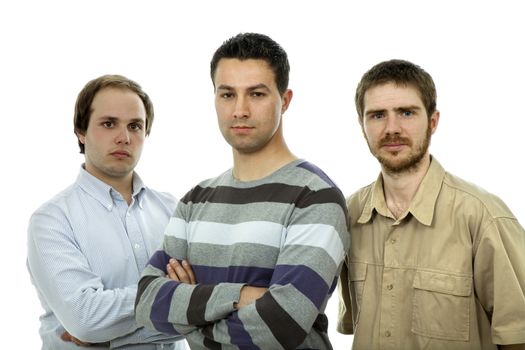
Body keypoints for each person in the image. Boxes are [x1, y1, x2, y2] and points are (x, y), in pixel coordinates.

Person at [134, 33, 349, 350]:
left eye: (257, 94)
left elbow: (281, 326)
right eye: (227, 95)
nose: (240, 110)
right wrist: (240, 297)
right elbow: (147, 302)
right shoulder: (195, 199)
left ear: (285, 100)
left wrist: (192, 317)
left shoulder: (316, 197)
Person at [337, 59, 525, 349]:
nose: (392, 128)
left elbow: (517, 338)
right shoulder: (347, 215)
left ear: (433, 121)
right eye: (377, 116)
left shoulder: (483, 216)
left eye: (407, 112)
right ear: (362, 126)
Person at [27, 74, 186, 349]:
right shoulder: (51, 221)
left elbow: (209, 310)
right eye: (109, 124)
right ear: (81, 131)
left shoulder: (174, 209)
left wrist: (108, 338)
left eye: (135, 126)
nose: (124, 137)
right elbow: (85, 319)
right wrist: (176, 297)